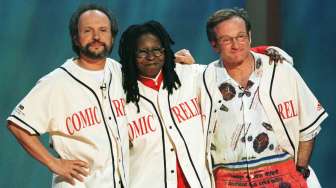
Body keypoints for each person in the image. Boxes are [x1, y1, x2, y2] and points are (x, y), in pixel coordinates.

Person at [7, 4, 129, 187]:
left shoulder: (120, 71)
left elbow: (155, 70)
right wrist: (53, 162)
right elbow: (16, 124)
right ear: (76, 38)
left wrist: (182, 65)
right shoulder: (56, 82)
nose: (97, 37)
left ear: (112, 36)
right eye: (88, 30)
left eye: (103, 30)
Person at [204, 8, 328, 187]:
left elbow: (309, 126)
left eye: (241, 37)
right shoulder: (204, 79)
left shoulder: (280, 70)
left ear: (250, 36)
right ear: (214, 44)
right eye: (226, 39)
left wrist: (300, 170)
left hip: (282, 178)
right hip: (228, 180)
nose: (236, 45)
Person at [118, 20, 219, 188]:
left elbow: (230, 69)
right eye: (142, 52)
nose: (151, 57)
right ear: (130, 55)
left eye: (157, 50)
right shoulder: (120, 96)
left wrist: (262, 53)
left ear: (165, 50)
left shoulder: (190, 75)